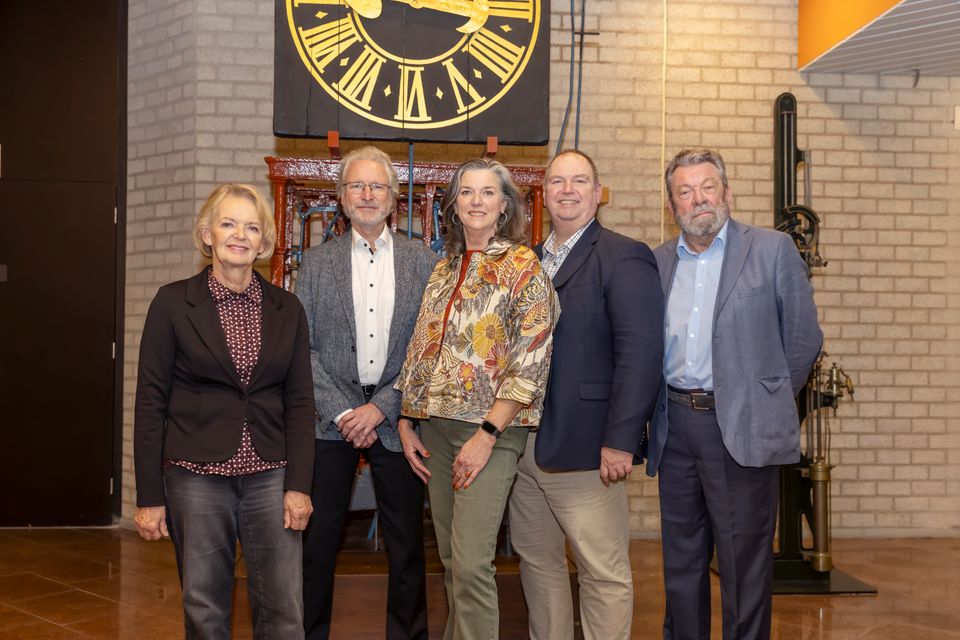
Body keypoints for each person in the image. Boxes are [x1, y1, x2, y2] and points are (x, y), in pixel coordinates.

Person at [649, 149, 823, 640]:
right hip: (676, 427)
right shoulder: (659, 261)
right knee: (681, 563)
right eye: (685, 191)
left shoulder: (770, 250)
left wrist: (762, 400)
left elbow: (804, 340)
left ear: (727, 192)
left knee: (743, 565)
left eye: (707, 187)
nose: (698, 198)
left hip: (741, 428)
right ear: (672, 205)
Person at [133, 183, 315, 640]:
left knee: (284, 608)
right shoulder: (172, 303)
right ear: (207, 234)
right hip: (195, 475)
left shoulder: (287, 309)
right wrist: (149, 496)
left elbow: (300, 402)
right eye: (228, 223)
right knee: (204, 607)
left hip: (270, 474)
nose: (240, 235)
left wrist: (298, 486)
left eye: (252, 227)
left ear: (264, 241)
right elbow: (151, 401)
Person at [395, 158, 560, 640]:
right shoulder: (443, 267)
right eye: (466, 192)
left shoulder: (521, 265)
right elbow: (423, 345)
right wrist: (407, 417)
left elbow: (532, 357)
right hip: (435, 430)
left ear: (505, 204)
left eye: (488, 192)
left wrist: (488, 434)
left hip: (487, 431)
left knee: (471, 565)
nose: (476, 201)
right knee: (451, 561)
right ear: (453, 204)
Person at [507, 149, 664, 640]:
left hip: (587, 449)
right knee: (538, 564)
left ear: (598, 194)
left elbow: (641, 355)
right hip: (523, 446)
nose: (568, 190)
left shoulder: (624, 255)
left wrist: (620, 440)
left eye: (580, 181)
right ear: (544, 194)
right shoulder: (525, 261)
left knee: (601, 571)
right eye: (557, 182)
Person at [295, 146, 437, 640]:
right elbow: (302, 348)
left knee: (407, 546)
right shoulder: (315, 264)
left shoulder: (424, 262)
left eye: (378, 186)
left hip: (398, 416)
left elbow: (428, 349)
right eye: (357, 185)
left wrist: (381, 408)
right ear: (341, 197)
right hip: (330, 419)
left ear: (394, 199)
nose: (368, 194)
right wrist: (343, 411)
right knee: (317, 542)